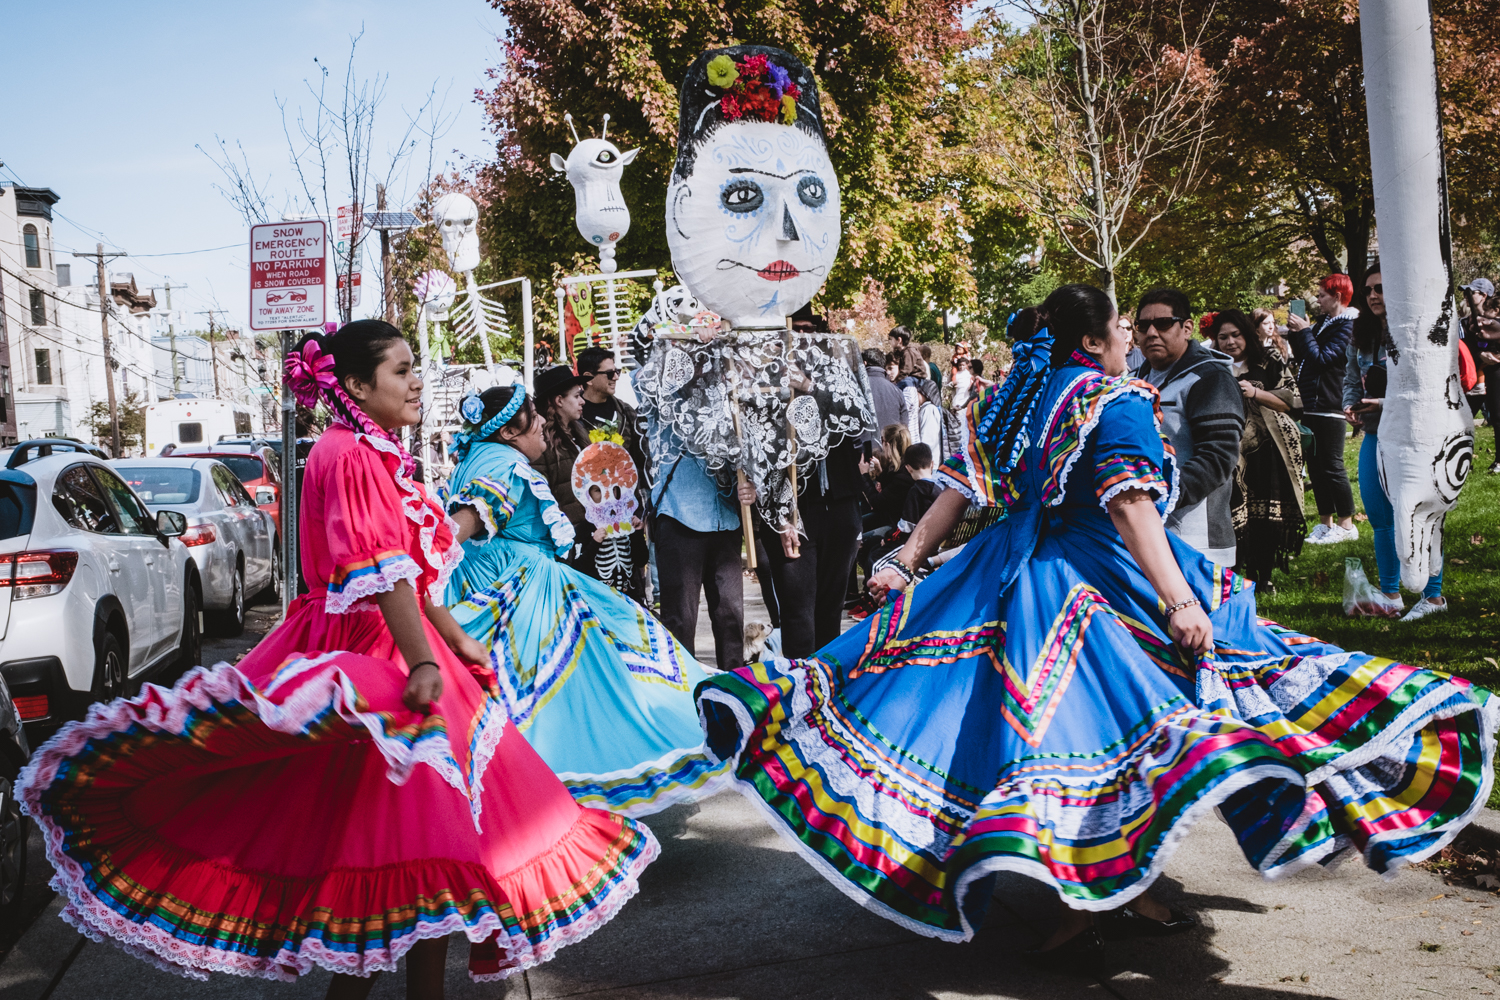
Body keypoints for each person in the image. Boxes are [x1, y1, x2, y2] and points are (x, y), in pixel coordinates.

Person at [694, 284, 1496, 968]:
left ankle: (1109, 889)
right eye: (1119, 328)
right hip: (1089, 579)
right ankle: (1092, 895)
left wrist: (907, 559)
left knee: (1042, 738)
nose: (1129, 339)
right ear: (1091, 338)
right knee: (1131, 731)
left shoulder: (1013, 399)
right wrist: (1180, 599)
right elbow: (1130, 503)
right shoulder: (1113, 401)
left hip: (1005, 571)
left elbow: (958, 491)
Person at [17, 321, 657, 995]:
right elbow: (380, 574)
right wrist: (424, 663)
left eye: (415, 367)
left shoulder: (368, 450)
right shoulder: (346, 452)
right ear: (355, 385)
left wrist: (453, 642)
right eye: (402, 371)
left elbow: (406, 571)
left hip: (394, 649)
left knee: (424, 852)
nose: (417, 382)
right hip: (367, 661)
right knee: (396, 852)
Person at [442, 383, 731, 815]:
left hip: (507, 592)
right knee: (592, 687)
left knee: (545, 698)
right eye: (531, 416)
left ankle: (528, 803)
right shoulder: (503, 466)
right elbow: (450, 535)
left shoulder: (480, 457)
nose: (541, 422)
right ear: (506, 432)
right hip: (522, 599)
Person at [1347, 264, 1447, 620]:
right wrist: (1350, 403)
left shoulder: (1423, 333)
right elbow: (1350, 376)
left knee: (1422, 514)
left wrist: (1386, 403)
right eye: (1369, 290)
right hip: (1376, 433)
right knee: (1379, 515)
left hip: (1416, 437)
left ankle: (1433, 597)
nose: (1374, 295)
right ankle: (1390, 594)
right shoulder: (1362, 335)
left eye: (1381, 288)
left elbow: (1431, 390)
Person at [1135, 287, 1246, 565]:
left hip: (1197, 541)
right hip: (1145, 532)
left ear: (1187, 328)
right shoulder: (1136, 378)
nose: (1151, 333)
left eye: (1162, 323)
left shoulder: (1210, 378)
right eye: (1143, 325)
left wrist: (1160, 494)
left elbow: (1219, 458)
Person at [1209, 309, 1306, 585]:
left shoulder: (1269, 359)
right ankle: (1235, 574)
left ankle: (1263, 576)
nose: (1230, 342)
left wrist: (1254, 393)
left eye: (1235, 335)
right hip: (1228, 452)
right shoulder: (1212, 365)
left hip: (1269, 450)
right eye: (1223, 337)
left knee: (1263, 513)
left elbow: (1292, 401)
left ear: (1247, 335)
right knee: (1231, 511)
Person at [572, 347, 649, 600]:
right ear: (588, 378)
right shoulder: (575, 419)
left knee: (633, 585)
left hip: (626, 515)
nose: (616, 377)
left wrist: (641, 512)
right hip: (589, 522)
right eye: (610, 373)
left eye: (617, 371)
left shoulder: (626, 412)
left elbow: (641, 461)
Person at [1288, 275, 1359, 544]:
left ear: (1338, 296)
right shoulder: (1324, 325)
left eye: (1321, 295)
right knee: (1316, 467)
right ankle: (1325, 523)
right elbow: (1306, 355)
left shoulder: (1347, 326)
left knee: (1332, 465)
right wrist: (1298, 333)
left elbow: (1323, 359)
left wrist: (1306, 331)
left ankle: (1347, 524)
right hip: (1312, 404)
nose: (1317, 299)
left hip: (1330, 404)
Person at [532, 363, 593, 546]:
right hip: (566, 540)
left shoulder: (579, 433)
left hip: (590, 533)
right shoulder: (542, 444)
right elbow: (541, 497)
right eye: (576, 396)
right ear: (559, 400)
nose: (582, 401)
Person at [1461, 278, 1499, 474]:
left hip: (1495, 373)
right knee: (1463, 417)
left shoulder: (1496, 321)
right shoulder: (1467, 322)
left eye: (1471, 292)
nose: (1466, 297)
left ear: (1484, 296)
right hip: (1474, 376)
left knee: (1498, 416)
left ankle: (1499, 461)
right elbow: (1467, 347)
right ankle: (1463, 462)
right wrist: (1479, 355)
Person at [864, 347, 910, 433]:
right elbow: (904, 428)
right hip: (891, 444)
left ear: (864, 363)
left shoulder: (855, 388)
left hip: (862, 444)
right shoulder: (897, 391)